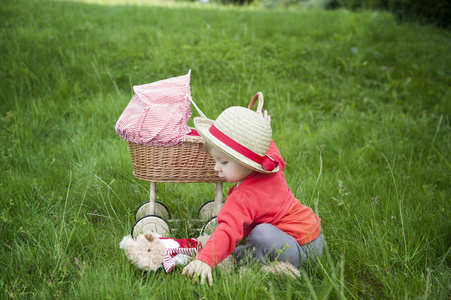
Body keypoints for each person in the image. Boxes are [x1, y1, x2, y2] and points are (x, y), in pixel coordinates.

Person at [182, 103, 323, 286]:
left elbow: (228, 229)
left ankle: (247, 260)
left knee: (260, 234)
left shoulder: (244, 197)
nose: (216, 168)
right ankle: (251, 254)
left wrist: (205, 259)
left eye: (223, 162)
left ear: (246, 162)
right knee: (262, 233)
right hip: (316, 239)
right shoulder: (270, 164)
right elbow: (270, 149)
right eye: (215, 161)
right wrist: (259, 133)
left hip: (296, 252)